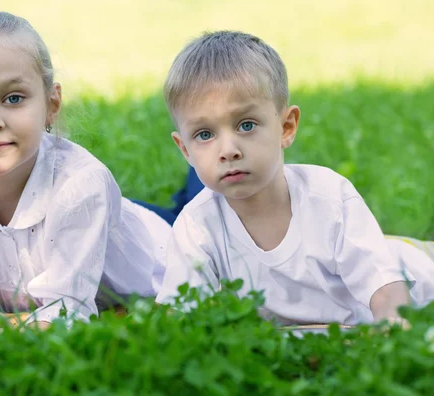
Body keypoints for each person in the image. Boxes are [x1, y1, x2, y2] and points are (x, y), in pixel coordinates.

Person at [0, 11, 171, 327]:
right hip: (95, 219)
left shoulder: (81, 185)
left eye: (13, 98)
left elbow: (66, 316)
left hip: (159, 249)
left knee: (208, 200)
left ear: (51, 105)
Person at [155, 30, 434, 326]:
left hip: (403, 282)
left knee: (407, 261)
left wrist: (392, 327)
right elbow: (179, 315)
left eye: (246, 125)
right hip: (299, 337)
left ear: (286, 127)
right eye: (205, 134)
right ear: (185, 149)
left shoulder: (329, 198)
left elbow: (386, 290)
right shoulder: (196, 226)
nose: (228, 150)